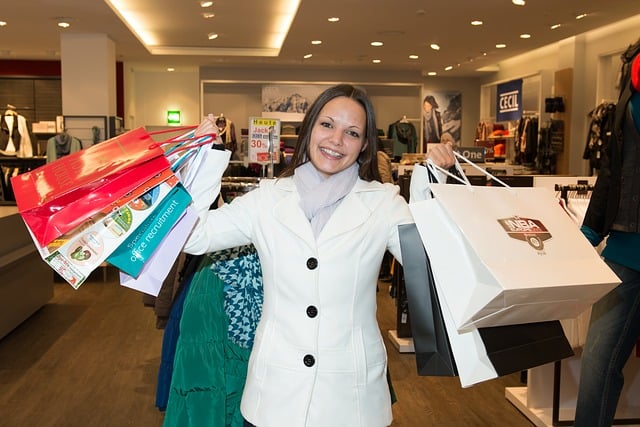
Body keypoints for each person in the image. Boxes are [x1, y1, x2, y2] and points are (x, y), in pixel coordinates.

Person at [183, 84, 455, 427]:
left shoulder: (383, 203)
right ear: (309, 128)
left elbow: (432, 263)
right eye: (327, 125)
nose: (336, 140)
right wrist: (205, 160)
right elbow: (193, 236)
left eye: (352, 132)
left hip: (353, 400)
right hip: (273, 397)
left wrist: (432, 185)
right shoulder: (266, 200)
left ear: (365, 144)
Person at [574, 40, 640, 427]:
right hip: (624, 251)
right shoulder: (632, 69)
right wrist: (589, 230)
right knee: (598, 360)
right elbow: (613, 169)